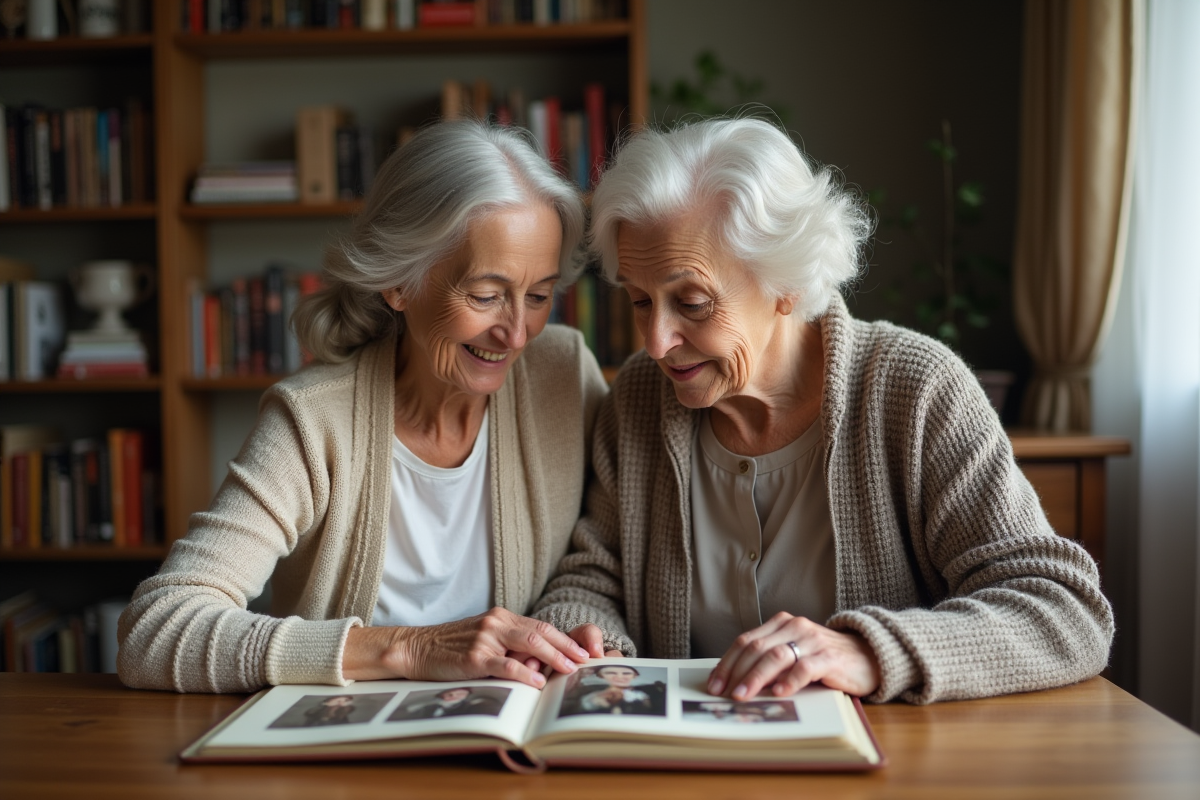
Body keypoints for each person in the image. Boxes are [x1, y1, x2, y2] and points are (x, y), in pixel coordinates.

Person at [532, 118, 1114, 705]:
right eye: (639, 300)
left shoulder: (916, 394)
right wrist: (588, 639)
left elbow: (1063, 610)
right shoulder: (637, 398)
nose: (656, 342)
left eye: (692, 302)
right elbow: (594, 577)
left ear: (785, 282)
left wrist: (868, 652)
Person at [118, 121, 605, 693]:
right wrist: (408, 647)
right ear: (399, 282)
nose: (517, 333)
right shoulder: (312, 420)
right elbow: (153, 631)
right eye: (485, 295)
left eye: (540, 295)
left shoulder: (564, 373)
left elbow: (601, 559)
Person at [560, 665, 666, 716]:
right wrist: (589, 702)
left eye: (626, 673)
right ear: (600, 676)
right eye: (611, 673)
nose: (619, 677)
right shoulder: (586, 690)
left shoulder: (652, 689)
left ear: (635, 676)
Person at [391, 687, 505, 719]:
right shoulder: (428, 706)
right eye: (450, 694)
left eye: (460, 694)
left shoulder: (464, 707)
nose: (453, 696)